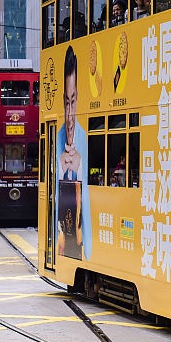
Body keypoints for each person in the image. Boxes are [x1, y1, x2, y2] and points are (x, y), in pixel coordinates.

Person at [57, 45, 91, 260]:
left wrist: (78, 173)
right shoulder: (57, 137)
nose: (70, 115)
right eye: (66, 103)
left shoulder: (86, 140)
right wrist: (61, 169)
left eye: (74, 102)